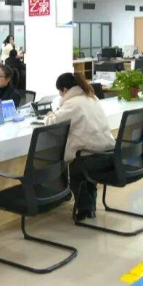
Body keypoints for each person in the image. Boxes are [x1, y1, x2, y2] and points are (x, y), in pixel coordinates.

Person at [44, 72, 115, 221]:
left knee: (76, 170)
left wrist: (49, 115)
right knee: (84, 169)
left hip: (90, 155)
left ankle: (84, 209)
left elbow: (53, 123)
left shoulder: (73, 104)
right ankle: (89, 208)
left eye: (60, 92)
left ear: (64, 90)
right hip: (108, 153)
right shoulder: (92, 97)